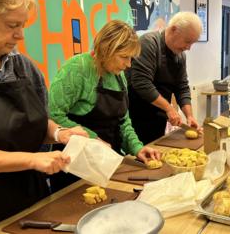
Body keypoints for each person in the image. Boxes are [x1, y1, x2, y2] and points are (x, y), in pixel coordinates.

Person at [0, 0, 88, 232]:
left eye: (23, 26)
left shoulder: (23, 67)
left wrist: (60, 134)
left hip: (32, 198)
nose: (21, 36)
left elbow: (35, 123)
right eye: (12, 25)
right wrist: (31, 160)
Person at [49, 20, 160, 191]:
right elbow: (53, 115)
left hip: (108, 163)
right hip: (75, 169)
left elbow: (123, 121)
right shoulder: (78, 68)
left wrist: (137, 147)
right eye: (124, 57)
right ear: (106, 49)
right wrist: (93, 138)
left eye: (131, 58)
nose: (128, 64)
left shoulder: (118, 76)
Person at [125, 11, 202, 144]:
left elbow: (182, 87)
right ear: (173, 30)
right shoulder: (148, 44)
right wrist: (169, 108)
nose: (189, 48)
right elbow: (142, 83)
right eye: (188, 41)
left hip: (157, 119)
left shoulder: (180, 56)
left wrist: (189, 116)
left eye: (192, 43)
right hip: (136, 116)